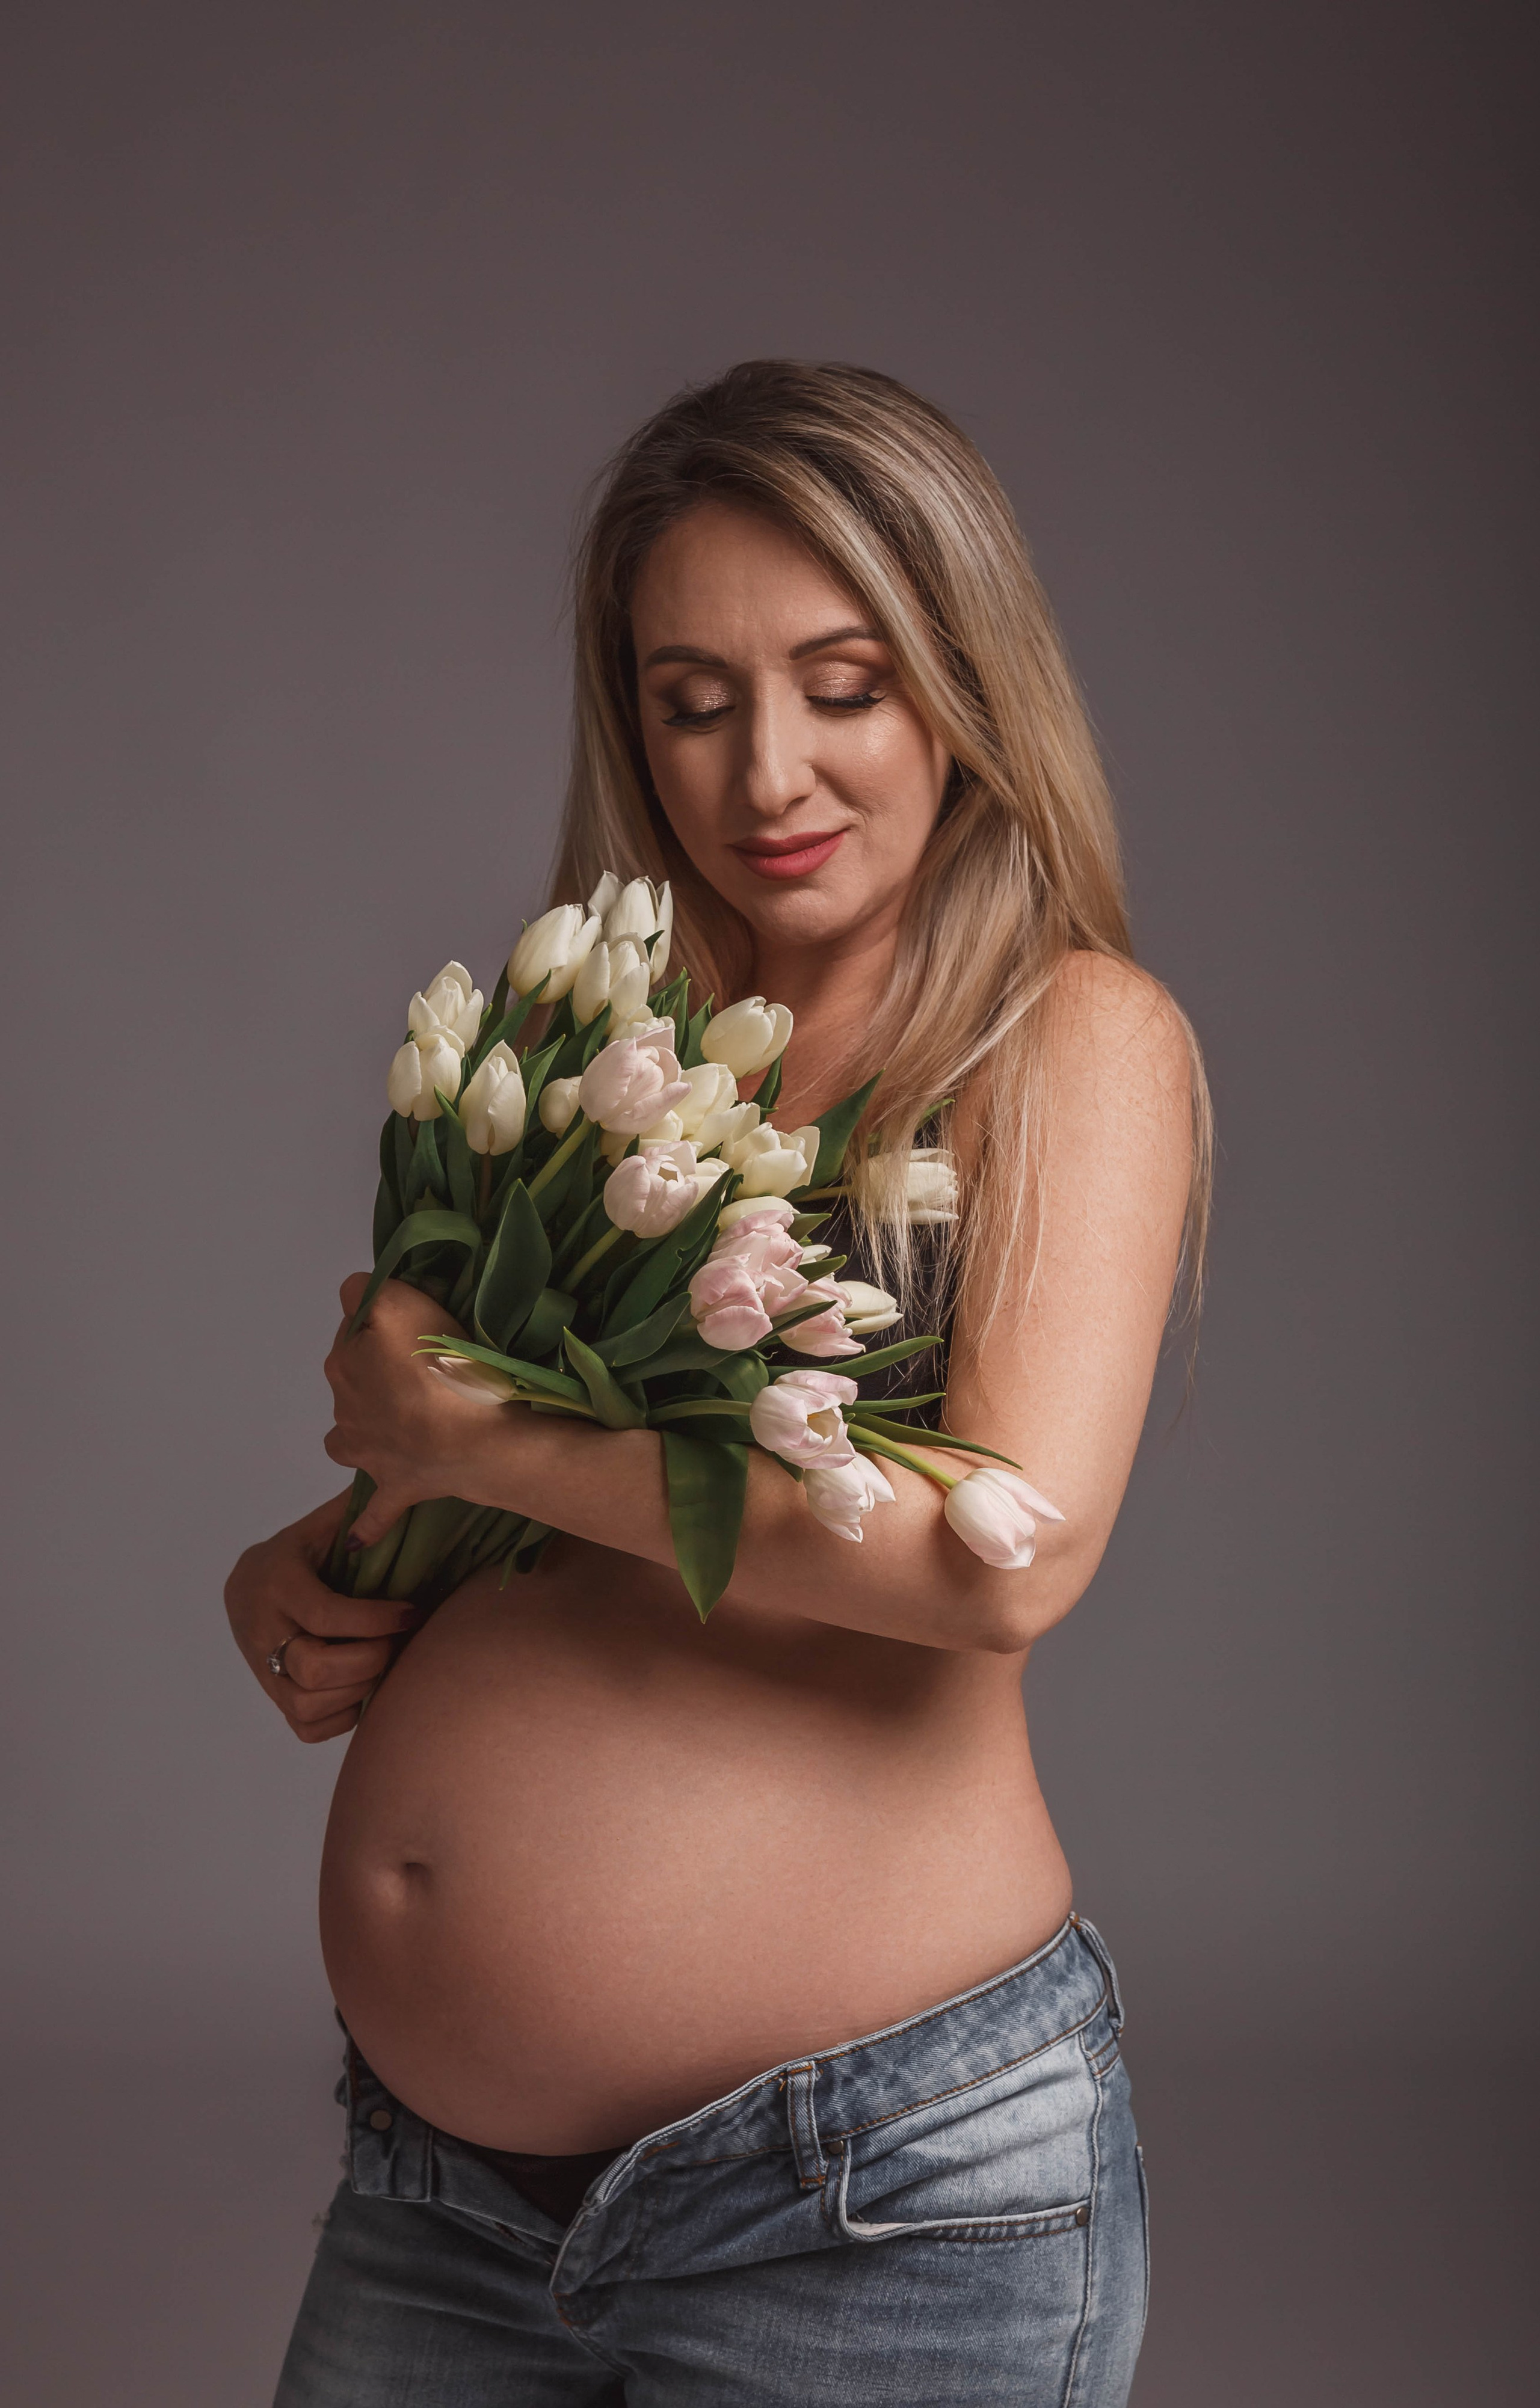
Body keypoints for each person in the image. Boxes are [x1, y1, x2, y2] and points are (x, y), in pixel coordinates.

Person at [226, 358, 1210, 2406]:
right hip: (442, 2200)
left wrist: (475, 1430)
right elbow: (550, 1492)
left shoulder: (1065, 1037)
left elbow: (991, 1560)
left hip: (861, 2201)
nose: (769, 764)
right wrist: (333, 1556)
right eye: (694, 697)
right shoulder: (621, 1027)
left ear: (961, 676)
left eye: (843, 682)